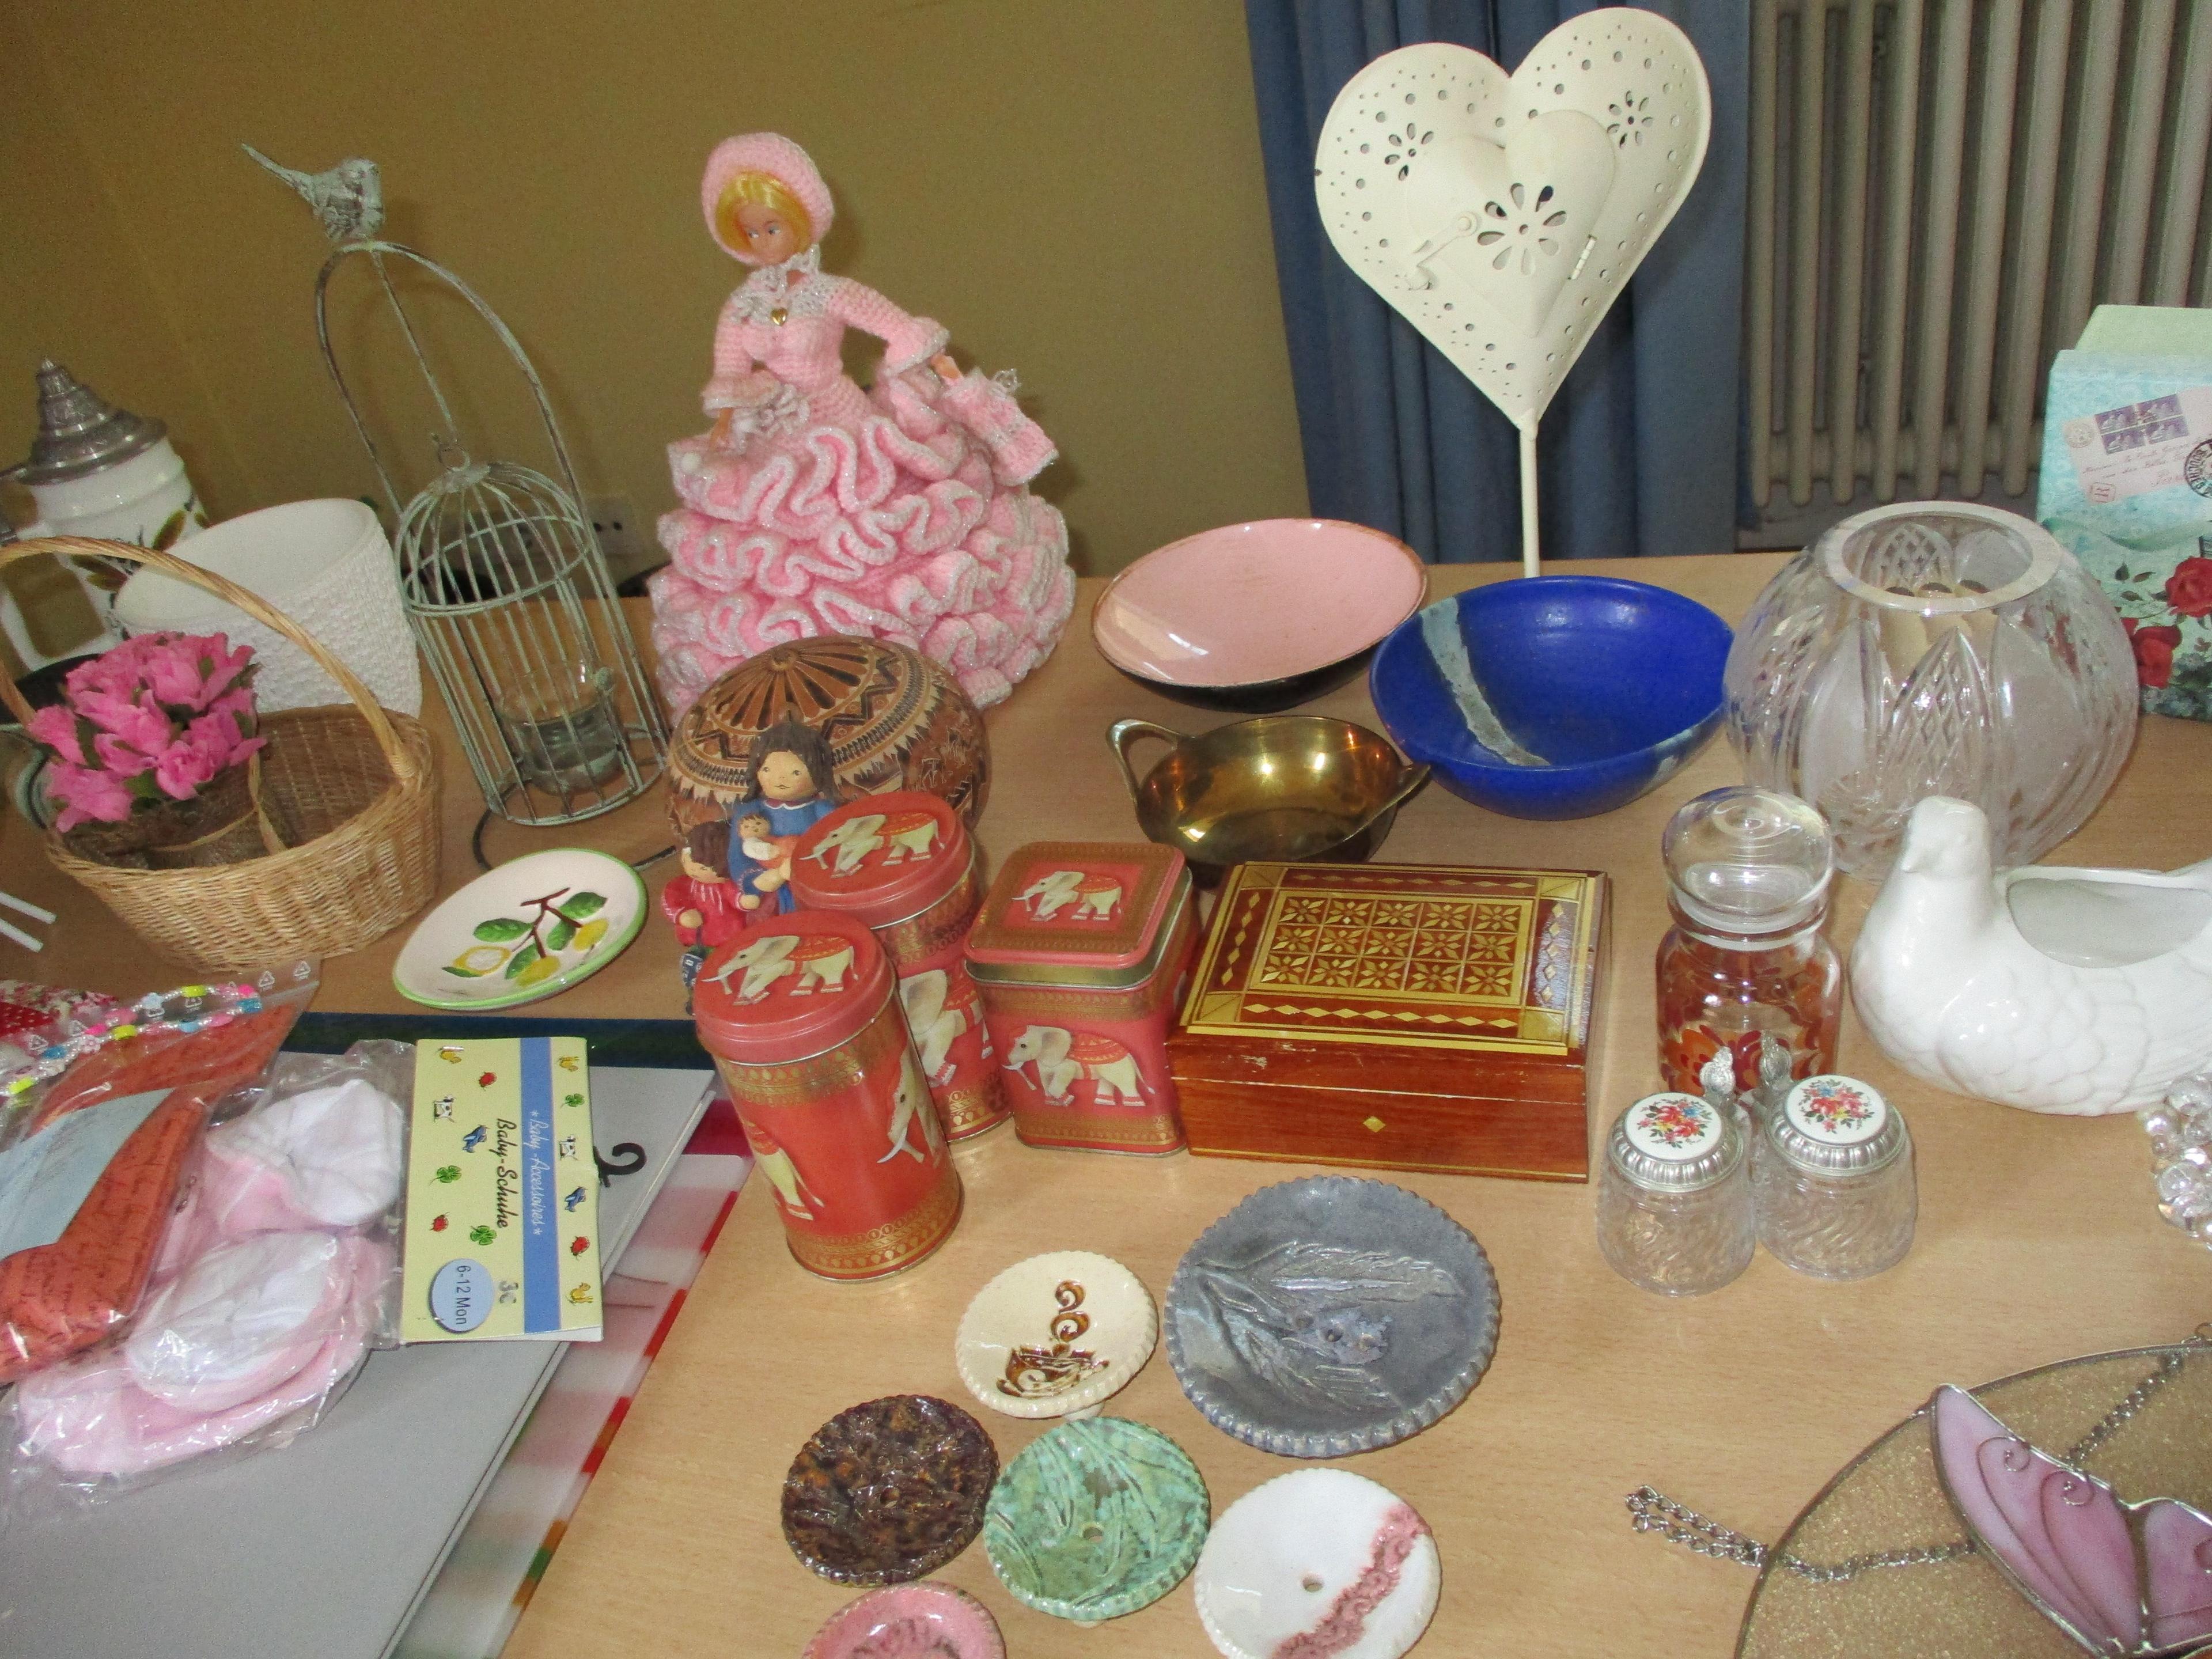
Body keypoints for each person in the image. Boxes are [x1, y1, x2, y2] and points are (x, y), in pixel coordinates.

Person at [647, 132, 1075, 716]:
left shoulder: (830, 293)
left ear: (803, 221)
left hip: (843, 416)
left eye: (772, 227)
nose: (763, 242)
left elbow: (898, 327)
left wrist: (933, 366)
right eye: (750, 232)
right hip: (775, 432)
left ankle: (907, 677)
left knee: (869, 514)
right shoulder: (742, 307)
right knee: (775, 532)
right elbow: (729, 370)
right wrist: (727, 420)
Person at [726, 718, 839, 914]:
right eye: (767, 769)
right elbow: (737, 856)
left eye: (795, 772)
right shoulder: (750, 811)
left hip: (813, 888)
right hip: (770, 894)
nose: (780, 779)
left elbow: (840, 845)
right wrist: (762, 879)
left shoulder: (822, 809)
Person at [661, 821, 747, 999]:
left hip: (729, 940)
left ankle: (731, 994)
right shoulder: (683, 885)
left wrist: (746, 901)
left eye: (703, 867)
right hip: (698, 941)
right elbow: (670, 900)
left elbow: (737, 899)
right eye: (689, 861)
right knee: (697, 973)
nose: (695, 870)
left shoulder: (726, 886)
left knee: (732, 970)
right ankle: (698, 996)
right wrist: (681, 915)